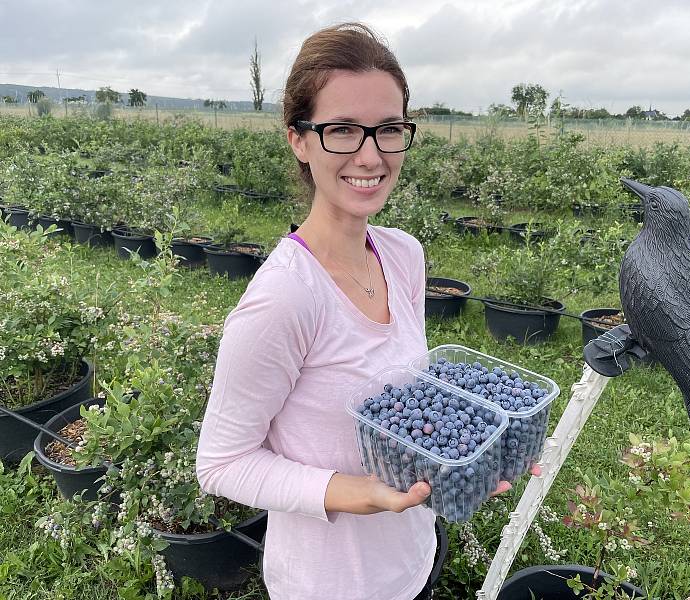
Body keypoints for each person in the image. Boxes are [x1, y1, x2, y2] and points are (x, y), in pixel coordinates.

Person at [196, 22, 530, 600]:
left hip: (413, 561)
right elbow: (222, 463)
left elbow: (411, 398)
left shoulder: (403, 256)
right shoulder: (285, 298)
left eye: (389, 129)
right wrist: (357, 492)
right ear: (299, 139)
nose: (371, 155)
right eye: (343, 130)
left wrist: (482, 453)